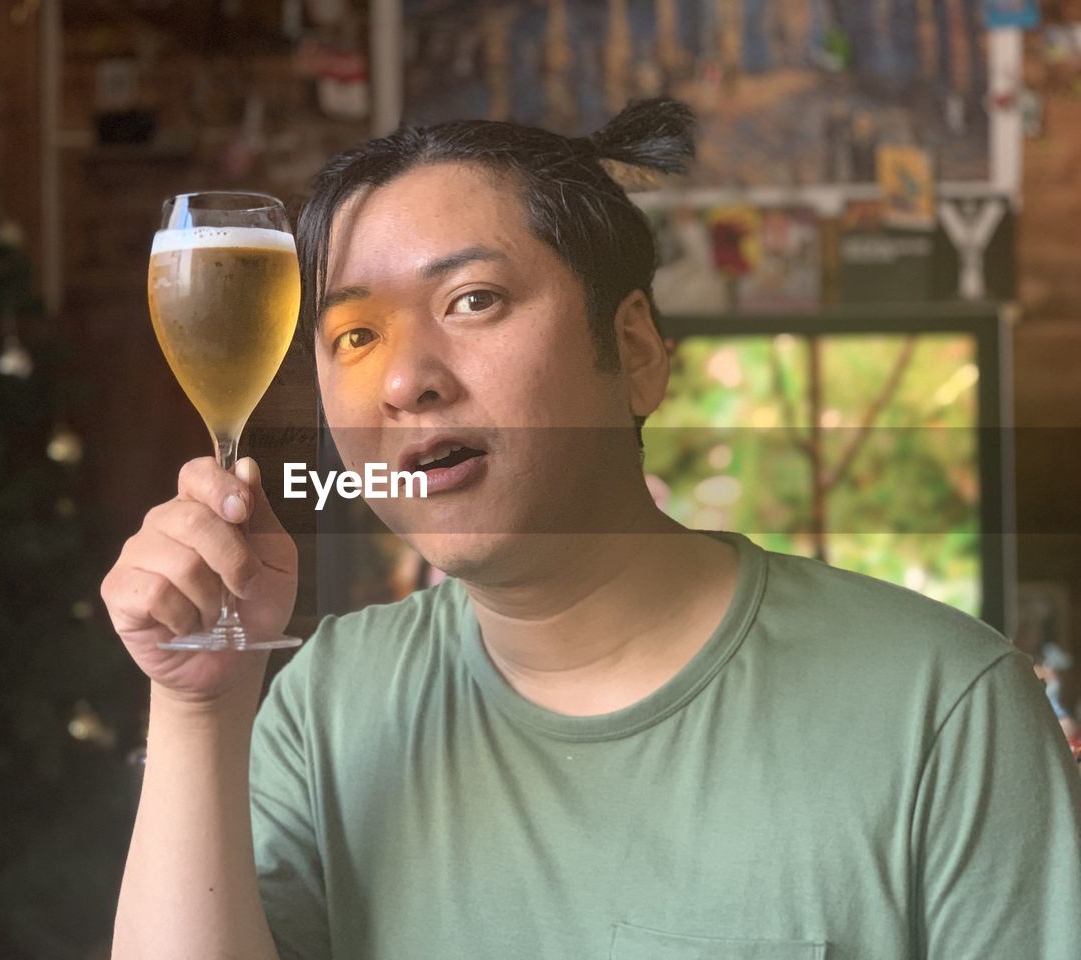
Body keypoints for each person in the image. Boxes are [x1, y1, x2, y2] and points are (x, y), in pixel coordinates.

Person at [101, 99, 1081, 960]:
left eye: (471, 299)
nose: (405, 380)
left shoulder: (942, 710)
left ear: (636, 351)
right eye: (355, 335)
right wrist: (199, 704)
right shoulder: (327, 703)